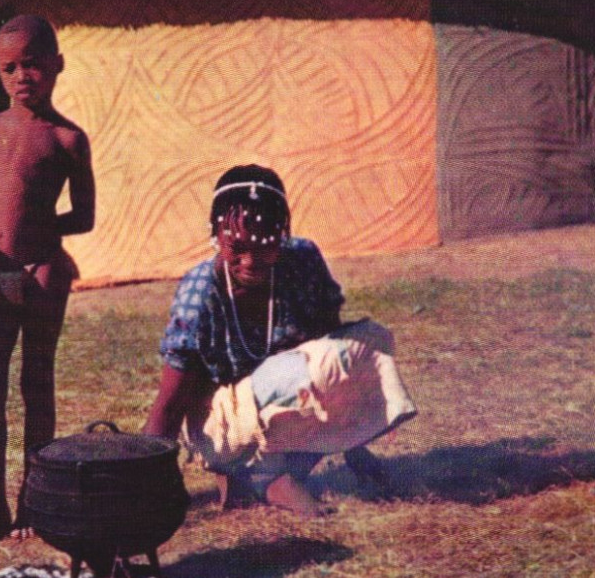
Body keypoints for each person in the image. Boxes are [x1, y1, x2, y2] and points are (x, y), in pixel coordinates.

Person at [143, 165, 413, 516]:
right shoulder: (200, 294)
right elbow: (168, 404)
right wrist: (149, 483)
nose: (251, 261)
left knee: (368, 342)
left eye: (266, 245)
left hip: (288, 403)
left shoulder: (300, 260)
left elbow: (332, 359)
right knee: (297, 370)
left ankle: (272, 474)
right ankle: (263, 477)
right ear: (215, 235)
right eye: (237, 246)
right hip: (219, 422)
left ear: (282, 235)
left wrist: (354, 444)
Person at [0, 15, 95, 541]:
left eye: (32, 64)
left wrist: (40, 225)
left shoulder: (67, 139)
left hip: (41, 272)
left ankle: (33, 499)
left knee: (37, 382)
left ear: (56, 65)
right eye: (9, 67)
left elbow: (85, 216)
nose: (22, 76)